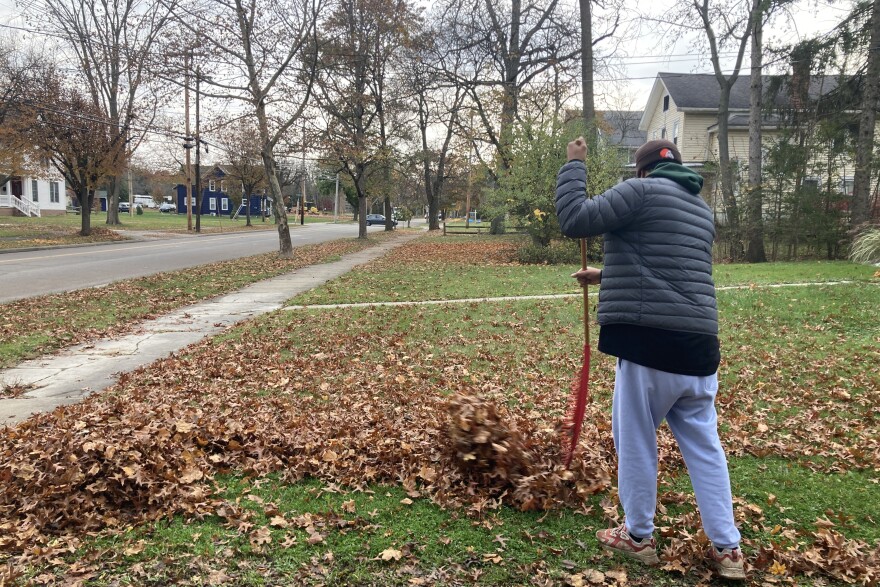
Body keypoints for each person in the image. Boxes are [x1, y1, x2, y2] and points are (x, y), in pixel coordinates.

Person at [555, 138, 745, 581]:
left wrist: (574, 165)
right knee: (706, 449)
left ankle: (638, 536)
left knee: (636, 439)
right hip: (699, 348)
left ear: (642, 171)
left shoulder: (639, 192)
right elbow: (671, 267)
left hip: (648, 343)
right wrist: (607, 275)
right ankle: (728, 548)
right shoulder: (701, 211)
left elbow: (574, 219)